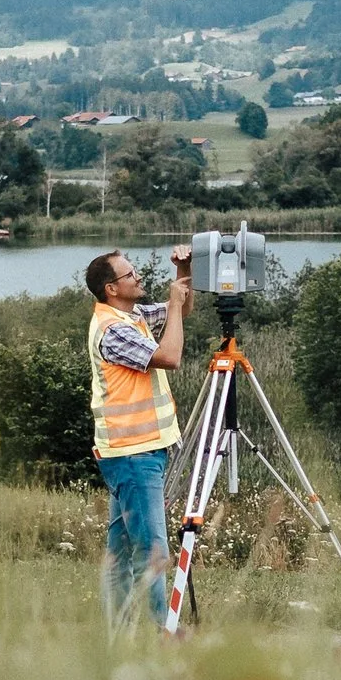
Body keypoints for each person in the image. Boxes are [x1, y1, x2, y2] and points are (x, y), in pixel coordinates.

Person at [85, 246, 192, 630]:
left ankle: (119, 637)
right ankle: (165, 634)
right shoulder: (113, 330)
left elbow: (179, 313)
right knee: (153, 553)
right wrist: (176, 303)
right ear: (112, 288)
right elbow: (171, 356)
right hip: (133, 455)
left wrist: (183, 270)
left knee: (121, 553)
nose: (138, 277)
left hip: (137, 451)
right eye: (130, 275)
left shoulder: (131, 315)